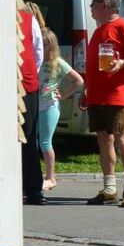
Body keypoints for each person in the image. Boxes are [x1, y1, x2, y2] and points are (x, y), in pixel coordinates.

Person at [78, 0, 124, 207]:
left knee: (122, 139)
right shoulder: (99, 30)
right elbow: (92, 66)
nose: (91, 8)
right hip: (97, 94)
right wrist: (86, 89)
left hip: (116, 95)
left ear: (104, 5)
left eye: (93, 4)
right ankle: (109, 189)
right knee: (103, 138)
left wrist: (122, 63)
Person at [38, 28, 83, 189]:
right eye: (39, 43)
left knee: (45, 142)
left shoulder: (58, 63)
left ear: (51, 46)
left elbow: (78, 80)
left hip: (49, 107)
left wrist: (64, 95)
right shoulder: (36, 59)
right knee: (32, 143)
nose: (41, 47)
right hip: (34, 106)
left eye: (44, 44)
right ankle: (34, 176)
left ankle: (51, 178)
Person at [19, 3, 44, 203]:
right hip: (7, 86)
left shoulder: (28, 20)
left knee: (28, 137)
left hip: (26, 86)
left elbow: (38, 53)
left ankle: (33, 188)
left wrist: (29, 74)